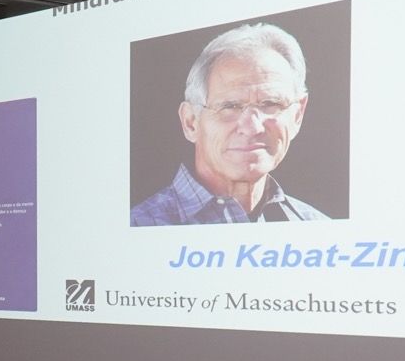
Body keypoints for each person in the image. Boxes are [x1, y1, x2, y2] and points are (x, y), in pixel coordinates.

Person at [131, 22, 329, 225]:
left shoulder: (319, 228)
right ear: (191, 122)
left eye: (271, 103)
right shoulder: (139, 226)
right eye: (231, 106)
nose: (253, 127)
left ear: (297, 115)